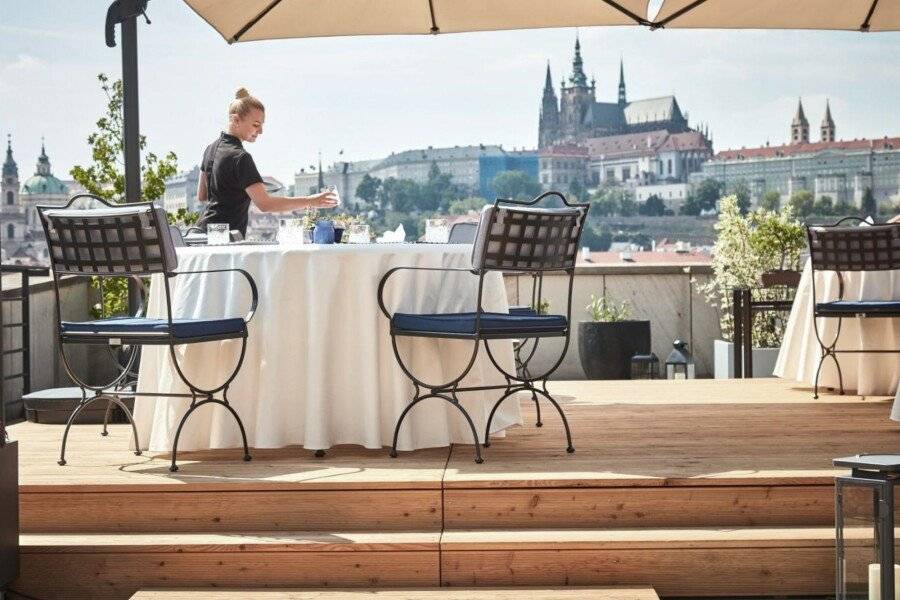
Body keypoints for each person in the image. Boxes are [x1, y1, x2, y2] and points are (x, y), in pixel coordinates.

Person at [196, 88, 338, 236]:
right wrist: (311, 201)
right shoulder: (241, 157)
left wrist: (238, 186)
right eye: (256, 125)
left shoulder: (210, 149)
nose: (261, 131)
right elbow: (265, 204)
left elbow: (203, 196)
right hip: (226, 238)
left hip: (203, 233)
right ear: (236, 120)